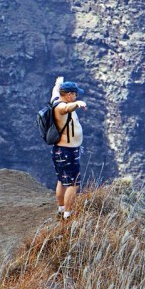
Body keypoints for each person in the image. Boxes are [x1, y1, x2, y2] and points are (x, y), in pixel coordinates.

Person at [50, 76, 87, 220]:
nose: (76, 96)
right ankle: (68, 215)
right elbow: (66, 108)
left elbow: (55, 91)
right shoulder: (61, 107)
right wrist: (78, 104)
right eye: (75, 94)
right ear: (69, 94)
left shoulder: (55, 99)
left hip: (61, 150)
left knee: (61, 180)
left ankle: (61, 209)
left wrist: (58, 82)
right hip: (68, 152)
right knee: (73, 183)